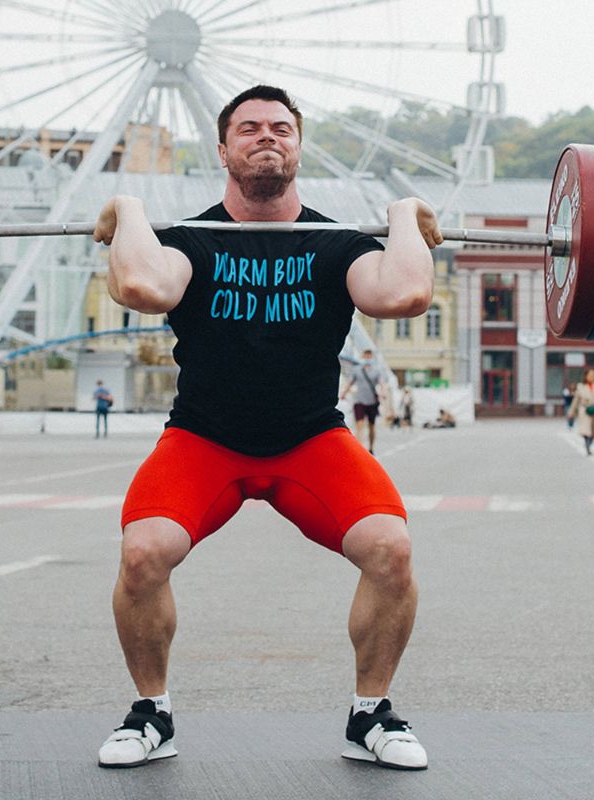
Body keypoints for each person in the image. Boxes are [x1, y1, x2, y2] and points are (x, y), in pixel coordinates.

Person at [91, 85, 439, 771]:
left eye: (281, 127)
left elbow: (404, 294)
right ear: (223, 150)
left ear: (298, 146)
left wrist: (401, 215)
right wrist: (131, 211)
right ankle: (151, 713)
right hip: (203, 440)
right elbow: (141, 287)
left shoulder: (337, 244)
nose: (266, 136)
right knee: (142, 555)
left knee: (391, 550)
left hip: (310, 440)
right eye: (248, 128)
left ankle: (371, 714)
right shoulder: (190, 241)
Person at [339, 349, 383, 454]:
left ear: (372, 357)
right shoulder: (357, 370)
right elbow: (350, 382)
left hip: (372, 401)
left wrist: (383, 393)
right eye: (366, 356)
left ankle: (371, 447)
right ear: (362, 357)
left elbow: (382, 383)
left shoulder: (377, 370)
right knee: (360, 425)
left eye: (369, 356)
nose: (367, 358)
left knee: (371, 426)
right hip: (359, 401)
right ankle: (360, 451)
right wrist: (343, 393)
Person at [567, 368, 594, 455]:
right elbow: (576, 401)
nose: (592, 377)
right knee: (586, 429)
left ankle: (590, 443)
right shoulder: (580, 386)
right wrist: (571, 412)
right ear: (586, 376)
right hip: (584, 410)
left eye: (593, 375)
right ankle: (587, 444)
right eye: (590, 375)